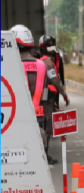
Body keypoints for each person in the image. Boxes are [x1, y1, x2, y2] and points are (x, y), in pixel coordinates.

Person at [10, 25, 49, 163]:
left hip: (15, 121)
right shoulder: (42, 66)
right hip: (38, 120)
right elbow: (44, 92)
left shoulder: (9, 66)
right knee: (37, 163)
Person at [38, 34, 70, 165]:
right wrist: (64, 94)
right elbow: (55, 80)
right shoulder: (46, 62)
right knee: (47, 126)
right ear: (43, 47)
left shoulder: (47, 59)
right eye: (48, 46)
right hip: (46, 99)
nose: (51, 48)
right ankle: (44, 154)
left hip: (44, 97)